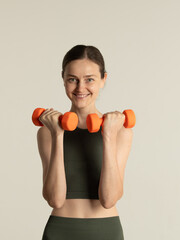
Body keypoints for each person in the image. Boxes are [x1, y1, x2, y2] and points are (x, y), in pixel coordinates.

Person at [37, 45, 133, 240]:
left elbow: (109, 199)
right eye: (73, 79)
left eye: (90, 79)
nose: (81, 88)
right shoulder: (47, 131)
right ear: (63, 80)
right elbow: (55, 199)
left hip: (106, 231)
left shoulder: (121, 131)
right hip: (60, 231)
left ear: (103, 80)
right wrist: (58, 135)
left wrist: (107, 136)